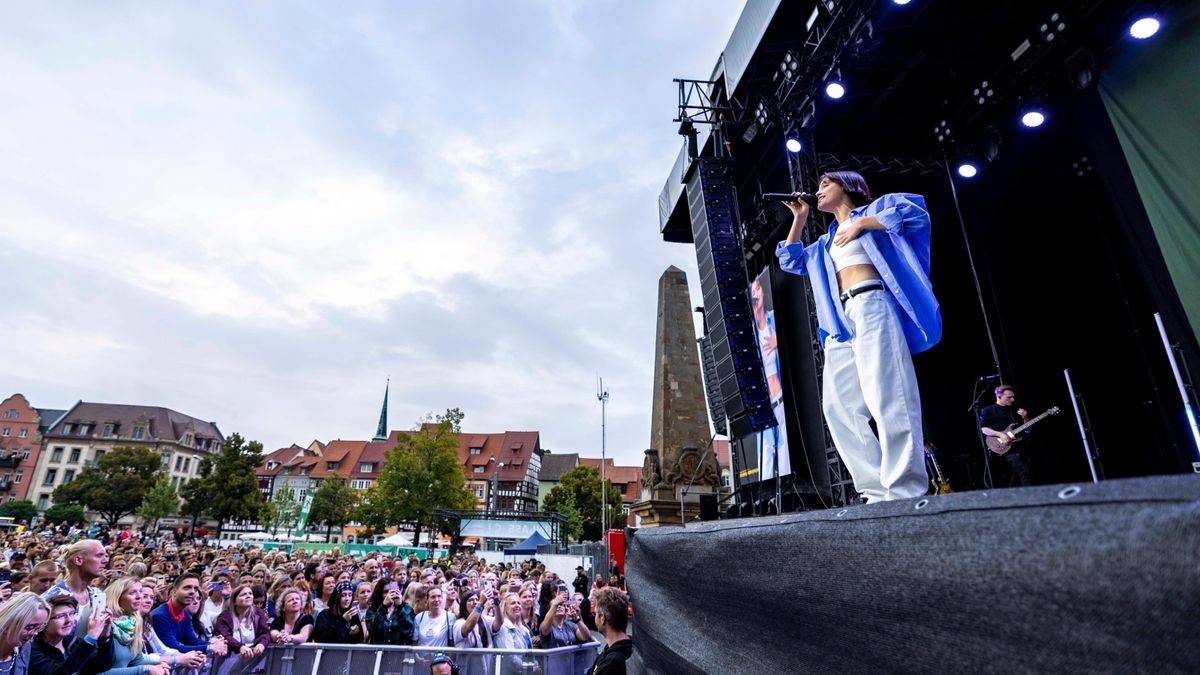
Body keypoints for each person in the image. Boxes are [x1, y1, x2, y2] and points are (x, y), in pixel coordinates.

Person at [776, 171, 939, 502]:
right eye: (818, 187)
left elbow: (915, 212)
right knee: (839, 408)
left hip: (871, 302)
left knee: (887, 392)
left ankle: (904, 490)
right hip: (840, 323)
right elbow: (790, 260)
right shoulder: (825, 242)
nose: (818, 191)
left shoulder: (874, 211)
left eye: (826, 184)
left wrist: (863, 224)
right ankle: (876, 491)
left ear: (847, 186)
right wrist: (799, 217)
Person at [97, 577, 167, 675]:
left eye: (140, 592)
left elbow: (136, 661)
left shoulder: (133, 623)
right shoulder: (103, 623)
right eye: (132, 592)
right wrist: (146, 669)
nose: (139, 597)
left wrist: (159, 664)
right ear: (118, 597)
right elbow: (97, 673)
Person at [30, 595, 113, 675]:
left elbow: (103, 665)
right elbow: (57, 673)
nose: (69, 620)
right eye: (61, 616)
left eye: (72, 613)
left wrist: (105, 636)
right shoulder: (33, 649)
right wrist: (91, 637)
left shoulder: (73, 642)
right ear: (44, 623)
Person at [42, 540, 108, 640]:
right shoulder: (52, 597)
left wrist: (106, 632)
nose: (105, 560)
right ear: (78, 560)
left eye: (105, 555)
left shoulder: (96, 595)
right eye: (99, 555)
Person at [149, 574, 226, 657]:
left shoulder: (184, 614)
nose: (193, 592)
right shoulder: (159, 616)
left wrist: (215, 643)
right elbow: (172, 648)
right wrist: (209, 647)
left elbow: (192, 641)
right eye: (187, 587)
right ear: (174, 592)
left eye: (196, 588)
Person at [979, 384, 1034, 486]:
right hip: (1002, 447)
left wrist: (1025, 417)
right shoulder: (988, 410)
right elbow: (983, 429)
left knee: (1023, 474)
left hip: (1020, 446)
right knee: (1023, 472)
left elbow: (1027, 430)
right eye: (1009, 397)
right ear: (998, 396)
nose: (1012, 399)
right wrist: (1000, 434)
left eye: (1013, 397)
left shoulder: (1015, 410)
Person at [212, 584, 269, 675]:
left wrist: (262, 644)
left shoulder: (258, 614)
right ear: (234, 601)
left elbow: (265, 633)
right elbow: (224, 636)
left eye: (250, 593)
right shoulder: (225, 617)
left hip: (252, 663)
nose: (248, 595)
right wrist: (240, 647)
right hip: (227, 664)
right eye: (243, 594)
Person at [0, 592, 51, 675]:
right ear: (8, 623)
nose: (35, 633)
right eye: (30, 627)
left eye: (38, 628)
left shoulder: (24, 648)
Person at [586, 588, 631, 675]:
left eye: (595, 614)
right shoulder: (627, 646)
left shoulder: (611, 664)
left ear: (602, 618)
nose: (594, 618)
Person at [452, 591, 493, 675]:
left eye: (476, 599)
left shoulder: (484, 620)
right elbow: (468, 627)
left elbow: (499, 623)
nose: (475, 602)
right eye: (471, 600)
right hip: (467, 669)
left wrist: (496, 602)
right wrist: (480, 603)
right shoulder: (459, 623)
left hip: (484, 668)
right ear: (464, 605)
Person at [365, 580, 411, 646]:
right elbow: (372, 630)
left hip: (399, 652)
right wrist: (383, 606)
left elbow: (408, 630)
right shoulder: (373, 610)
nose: (390, 594)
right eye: (386, 592)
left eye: (392, 591)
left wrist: (400, 607)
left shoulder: (406, 608)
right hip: (378, 651)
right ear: (380, 594)